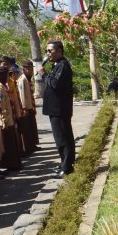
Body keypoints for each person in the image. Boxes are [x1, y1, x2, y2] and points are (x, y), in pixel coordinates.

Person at [40, 40, 75, 176]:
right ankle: (63, 163)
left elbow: (54, 84)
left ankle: (66, 168)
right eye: (46, 51)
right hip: (55, 109)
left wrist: (43, 74)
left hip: (60, 109)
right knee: (61, 137)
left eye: (50, 51)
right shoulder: (57, 65)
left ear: (59, 51)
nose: (47, 54)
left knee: (63, 138)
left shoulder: (63, 65)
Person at [0, 66, 22, 170]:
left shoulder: (4, 86)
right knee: (6, 144)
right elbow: (1, 106)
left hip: (9, 118)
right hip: (4, 120)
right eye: (6, 75)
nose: (8, 77)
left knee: (11, 142)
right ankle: (7, 164)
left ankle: (13, 163)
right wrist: (4, 120)